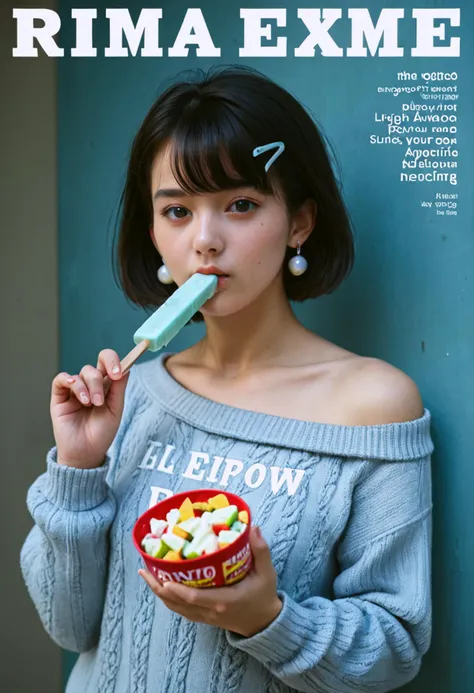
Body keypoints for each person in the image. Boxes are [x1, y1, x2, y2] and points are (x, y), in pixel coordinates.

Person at [20, 65, 433, 693]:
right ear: (154, 233)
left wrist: (267, 618)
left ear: (299, 222)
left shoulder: (374, 405)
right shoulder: (129, 400)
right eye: (178, 211)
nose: (205, 242)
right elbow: (69, 628)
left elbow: (393, 650)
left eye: (241, 205)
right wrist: (78, 468)